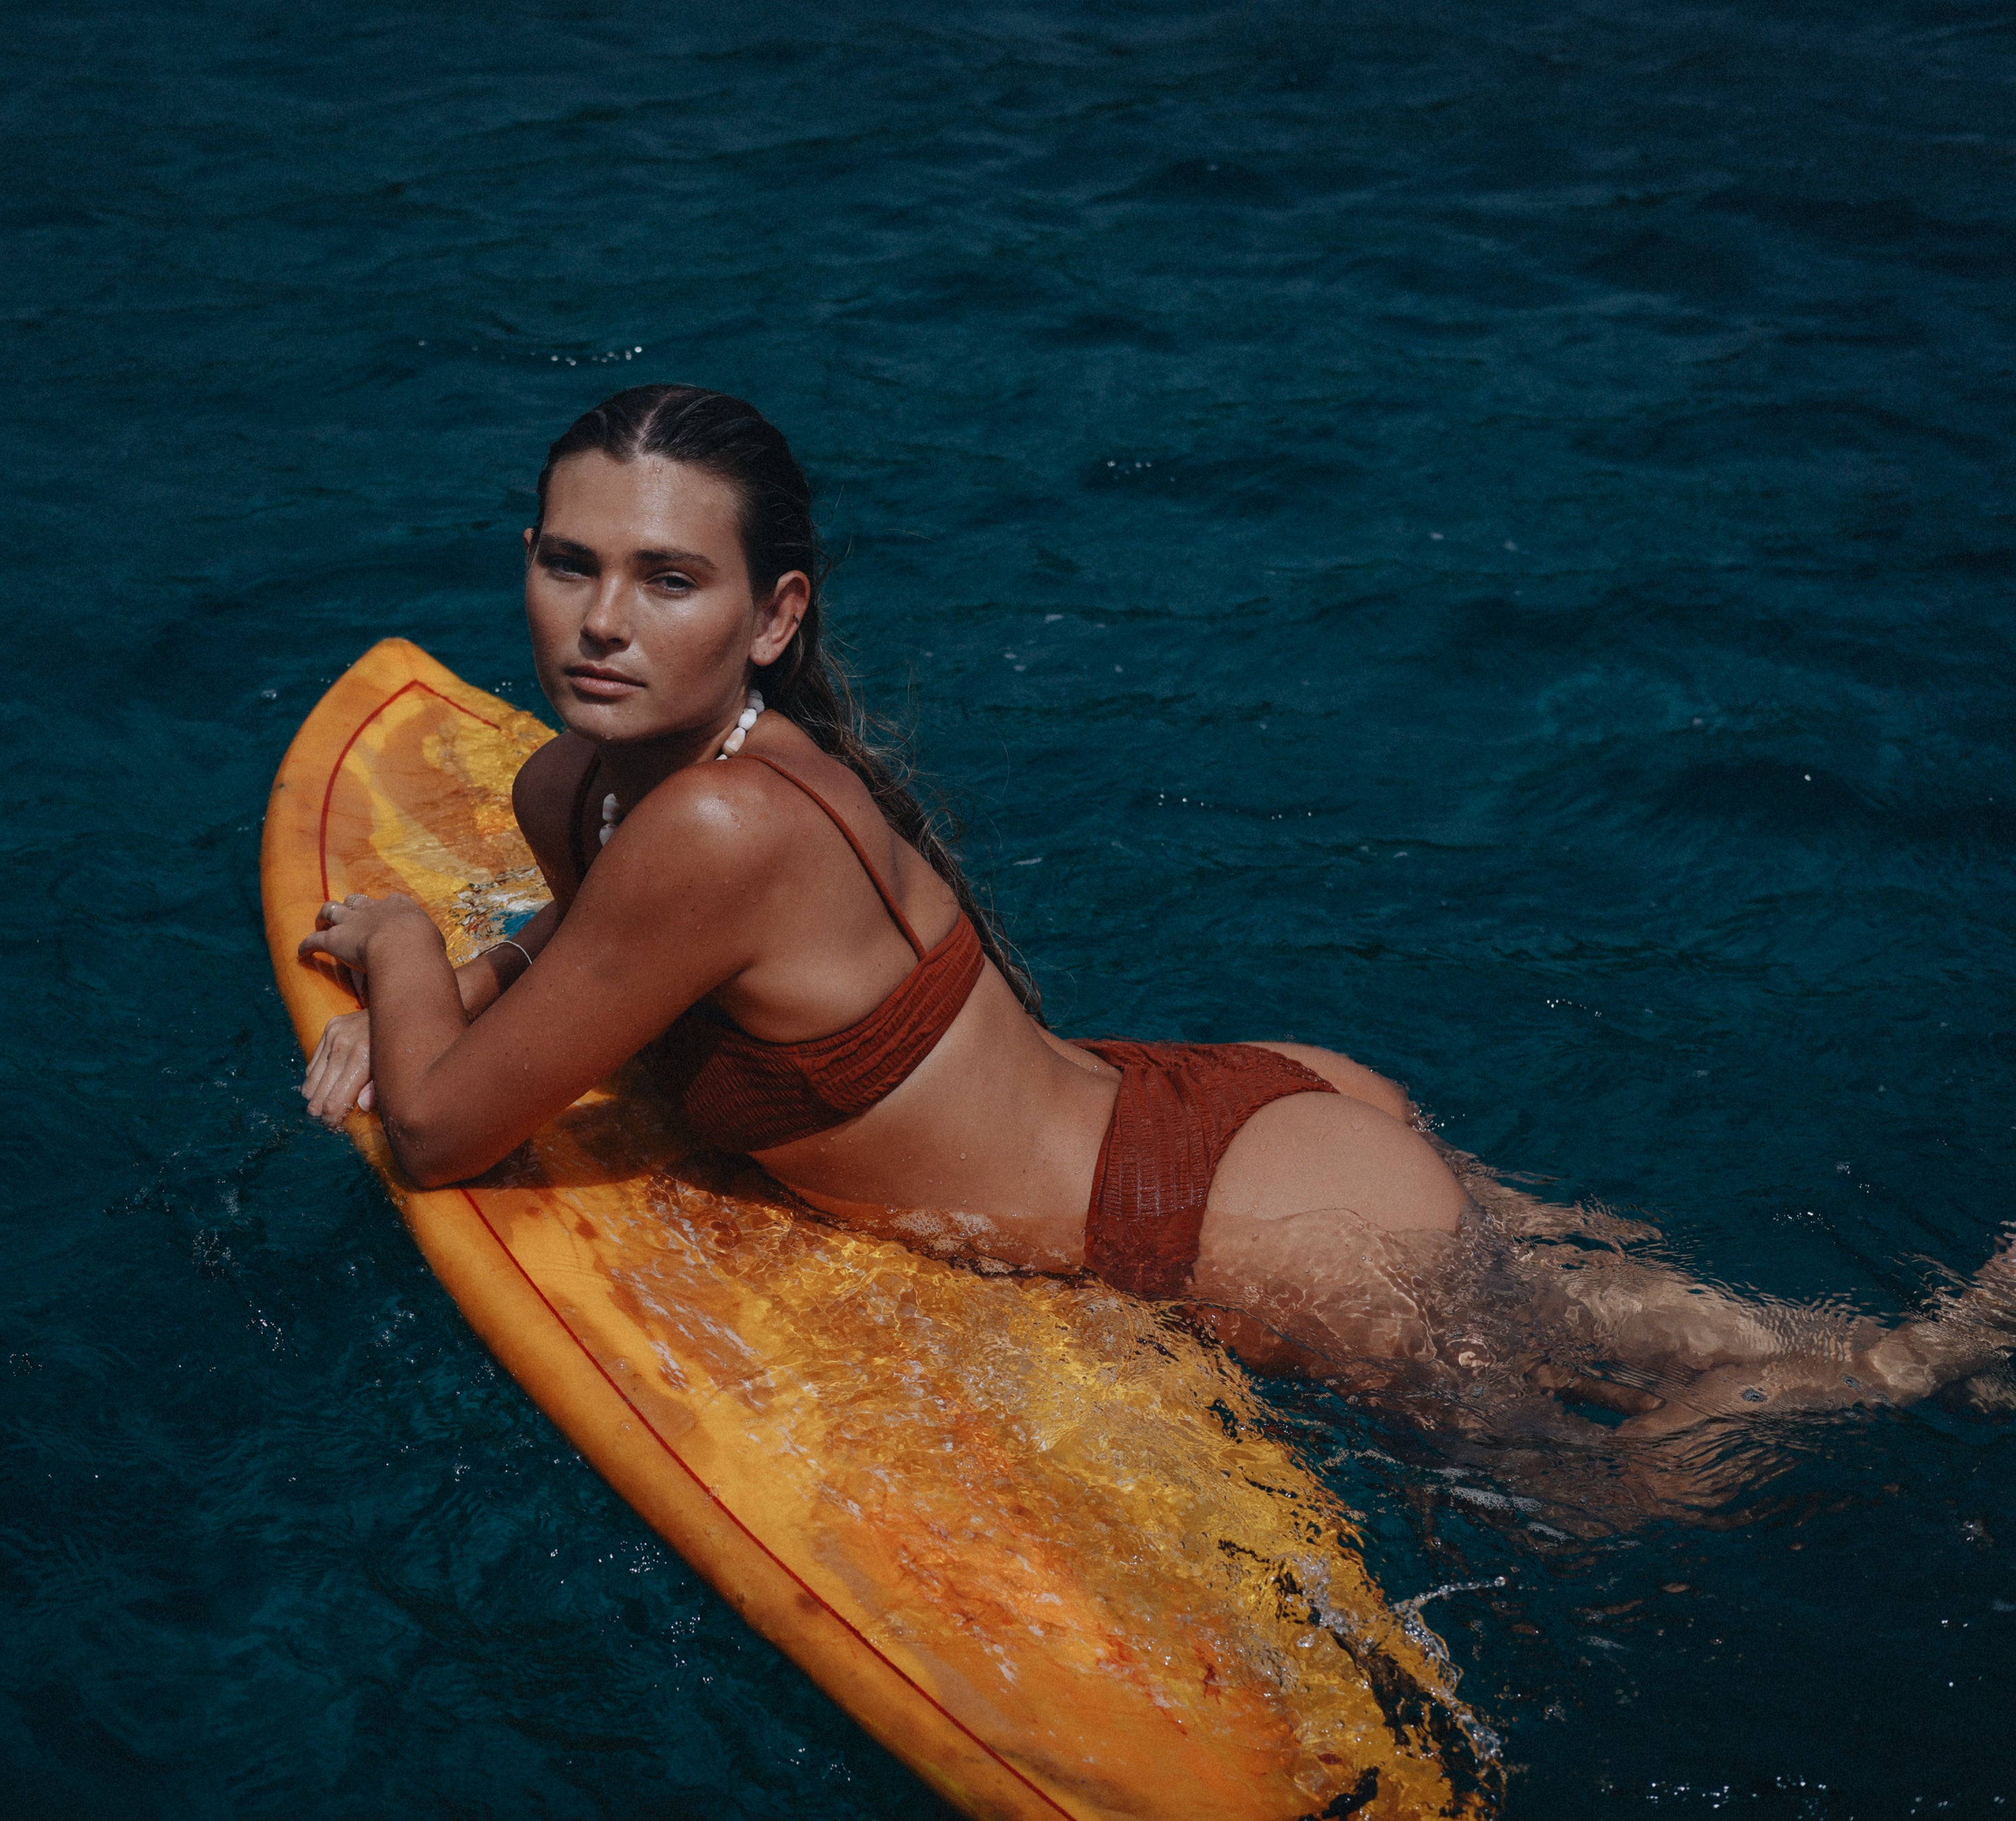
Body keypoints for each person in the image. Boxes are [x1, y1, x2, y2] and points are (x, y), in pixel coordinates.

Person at [296, 384, 2011, 1484]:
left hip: (1216, 1226)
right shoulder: (592, 794)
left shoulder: (712, 827)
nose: (600, 619)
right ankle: (1915, 1345)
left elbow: (445, 1132)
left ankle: (1909, 1369)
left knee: (1609, 1491)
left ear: (771, 615)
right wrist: (476, 973)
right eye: (564, 560)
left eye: (667, 578)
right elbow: (581, 956)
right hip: (1230, 1119)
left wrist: (389, 948)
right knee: (1592, 1314)